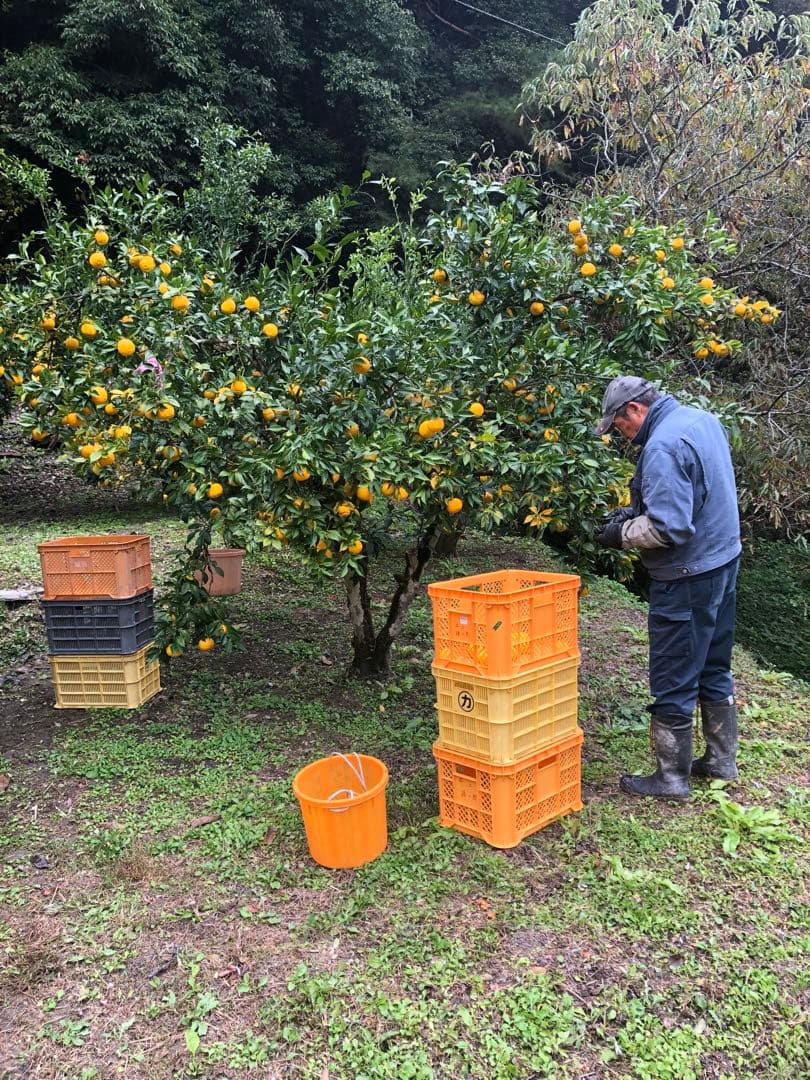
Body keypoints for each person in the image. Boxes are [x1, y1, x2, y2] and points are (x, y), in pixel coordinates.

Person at [594, 375, 741, 799]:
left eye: (619, 424)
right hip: (723, 562)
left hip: (687, 578)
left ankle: (671, 777)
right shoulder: (701, 419)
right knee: (714, 664)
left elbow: (668, 529)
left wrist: (619, 534)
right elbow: (697, 492)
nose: (621, 433)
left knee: (673, 673)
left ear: (635, 410)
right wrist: (633, 510)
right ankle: (720, 760)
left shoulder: (661, 446)